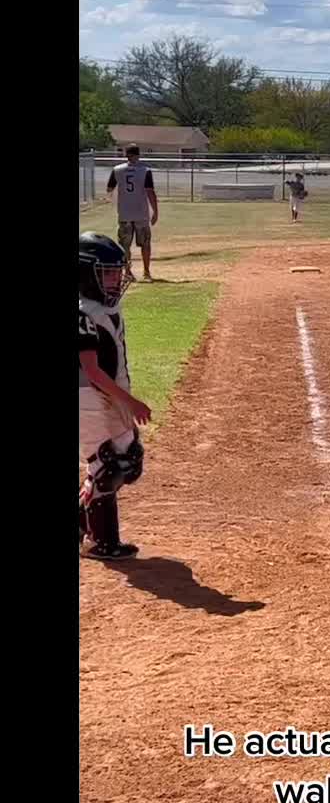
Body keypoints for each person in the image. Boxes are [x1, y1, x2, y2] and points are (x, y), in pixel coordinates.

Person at [79, 232, 152, 560]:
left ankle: (84, 523)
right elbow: (92, 372)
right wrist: (130, 402)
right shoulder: (83, 314)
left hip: (110, 396)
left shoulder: (106, 308)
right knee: (108, 466)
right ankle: (99, 542)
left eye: (117, 272)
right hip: (88, 399)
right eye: (108, 273)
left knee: (128, 460)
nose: (116, 279)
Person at [106, 144, 159, 281]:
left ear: (126, 155)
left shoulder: (117, 169)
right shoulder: (145, 170)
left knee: (125, 245)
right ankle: (146, 273)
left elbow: (109, 189)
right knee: (145, 244)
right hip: (141, 213)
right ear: (138, 155)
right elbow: (150, 192)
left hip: (124, 213)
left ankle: (128, 272)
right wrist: (155, 211)